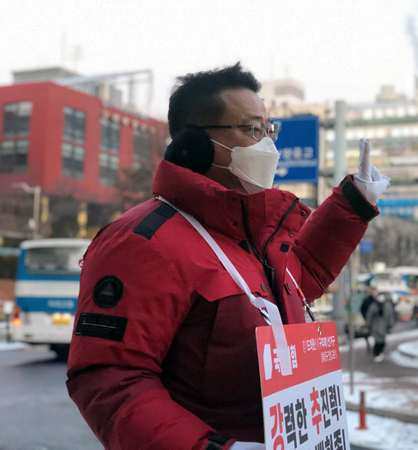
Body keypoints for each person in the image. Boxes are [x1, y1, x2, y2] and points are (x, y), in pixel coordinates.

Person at [66, 63, 389, 450]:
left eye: (269, 130)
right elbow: (110, 378)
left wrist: (354, 203)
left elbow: (298, 279)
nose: (267, 145)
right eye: (253, 130)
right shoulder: (142, 242)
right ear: (196, 145)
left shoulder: (250, 237)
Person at [365, 292, 396, 362]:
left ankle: (378, 353)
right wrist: (368, 325)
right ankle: (377, 354)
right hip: (376, 327)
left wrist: (390, 325)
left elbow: (390, 316)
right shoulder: (374, 306)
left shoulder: (386, 306)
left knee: (381, 341)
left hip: (382, 327)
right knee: (378, 341)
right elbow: (369, 316)